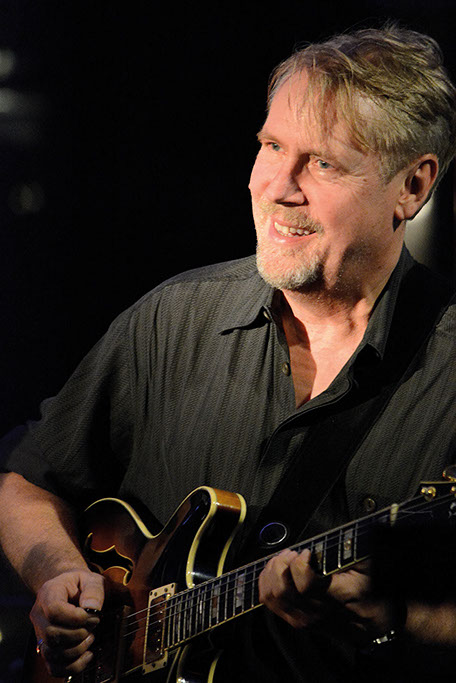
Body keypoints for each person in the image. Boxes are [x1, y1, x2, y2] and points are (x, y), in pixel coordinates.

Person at [0, 23, 455, 683]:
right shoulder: (171, 319)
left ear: (412, 187)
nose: (278, 186)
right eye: (272, 146)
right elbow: (28, 479)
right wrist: (59, 574)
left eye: (323, 163)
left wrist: (401, 616)